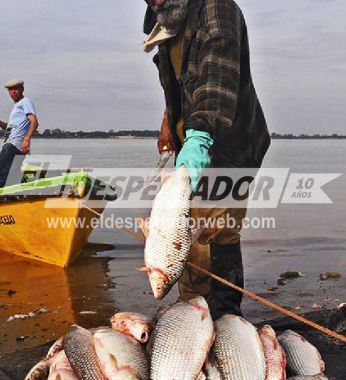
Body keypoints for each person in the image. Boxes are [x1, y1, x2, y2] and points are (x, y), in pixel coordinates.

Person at [142, 0, 271, 319]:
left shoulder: (218, 10)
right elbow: (185, 80)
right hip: (193, 140)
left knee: (211, 236)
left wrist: (198, 138)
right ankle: (198, 312)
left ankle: (215, 319)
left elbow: (215, 79)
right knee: (191, 231)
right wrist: (170, 120)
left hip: (227, 144)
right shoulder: (167, 18)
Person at [0, 78, 39, 188]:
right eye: (10, 89)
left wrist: (26, 140)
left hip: (13, 145)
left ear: (22, 89)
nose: (13, 92)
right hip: (15, 145)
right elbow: (10, 128)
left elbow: (34, 122)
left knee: (0, 175)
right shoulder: (17, 106)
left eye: (15, 89)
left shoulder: (25, 102)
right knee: (13, 177)